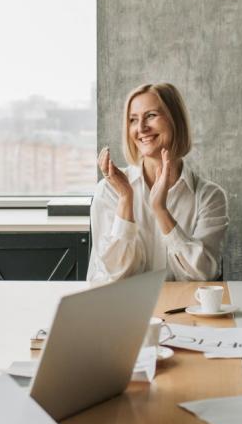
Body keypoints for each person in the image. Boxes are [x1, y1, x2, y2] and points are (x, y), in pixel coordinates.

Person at [87, 83, 228, 284]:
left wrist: (161, 211)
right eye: (133, 120)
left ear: (175, 121)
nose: (141, 128)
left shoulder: (209, 196)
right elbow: (114, 275)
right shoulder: (109, 190)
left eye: (151, 115)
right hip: (121, 310)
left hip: (181, 312)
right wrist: (126, 200)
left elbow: (203, 275)